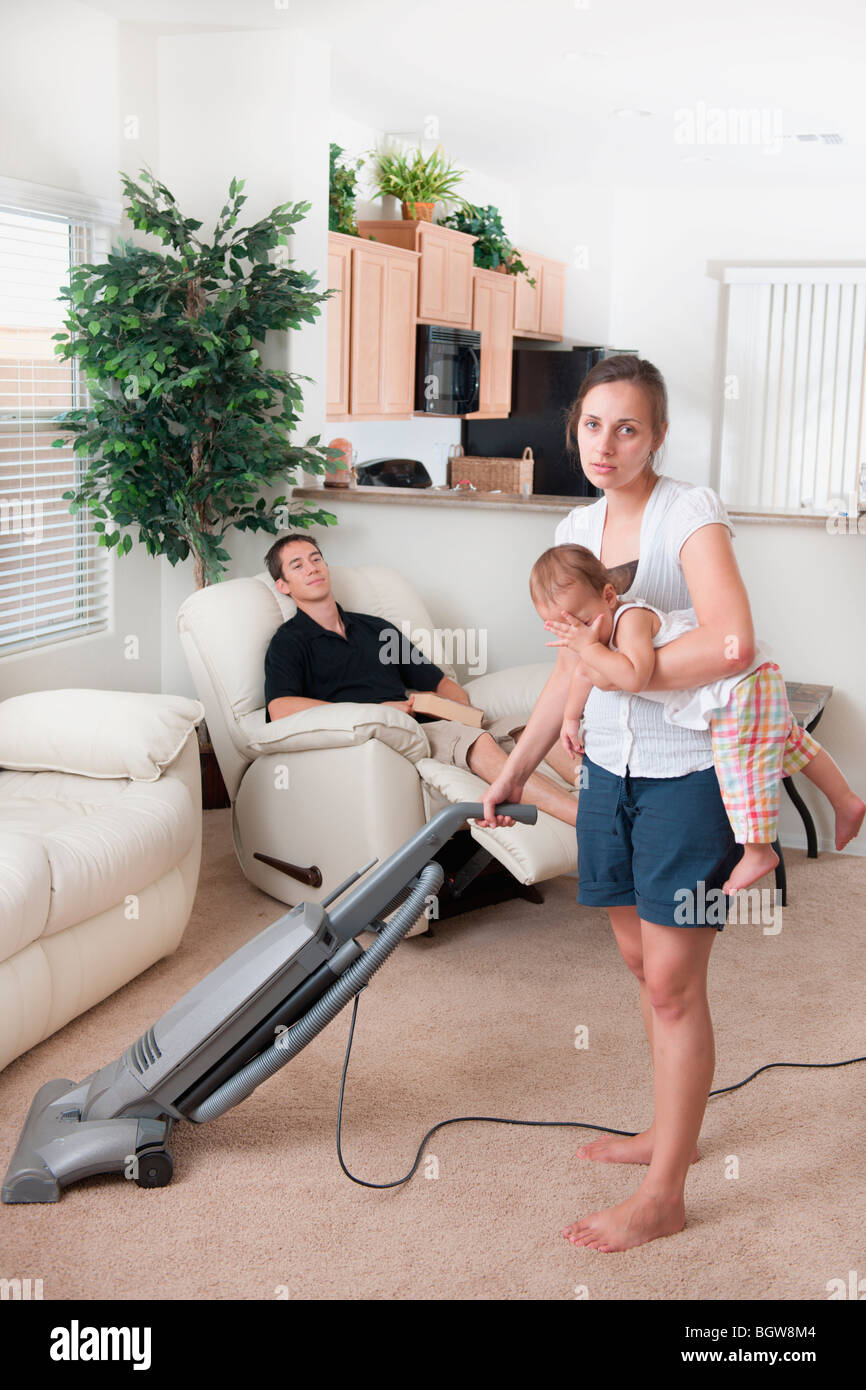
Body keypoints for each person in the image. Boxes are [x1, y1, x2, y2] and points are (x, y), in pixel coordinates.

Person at [477, 353, 777, 1253]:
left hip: (690, 780)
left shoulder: (689, 512)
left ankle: (665, 1193)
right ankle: (667, 1136)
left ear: (659, 433)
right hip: (607, 778)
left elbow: (732, 643)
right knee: (644, 973)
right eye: (593, 425)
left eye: (629, 427)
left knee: (678, 989)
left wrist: (629, 674)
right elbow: (573, 666)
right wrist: (517, 767)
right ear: (577, 428)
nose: (607, 444)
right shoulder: (577, 524)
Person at [535, 543, 865, 893]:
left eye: (583, 622)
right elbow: (584, 673)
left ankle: (758, 851)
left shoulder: (630, 619)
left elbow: (634, 677)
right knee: (787, 740)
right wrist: (571, 719)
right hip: (748, 684)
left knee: (740, 765)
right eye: (566, 629)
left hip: (737, 688)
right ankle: (846, 800)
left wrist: (587, 647)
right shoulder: (594, 638)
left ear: (609, 595)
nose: (579, 633)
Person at [262, 532, 578, 827]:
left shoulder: (376, 628)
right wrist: (378, 712)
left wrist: (458, 708)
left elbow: (439, 682)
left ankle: (602, 798)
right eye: (297, 565)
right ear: (283, 586)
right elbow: (280, 707)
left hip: (427, 720)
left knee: (526, 726)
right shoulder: (289, 642)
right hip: (385, 737)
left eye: (316, 559)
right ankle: (586, 820)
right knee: (477, 742)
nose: (312, 568)